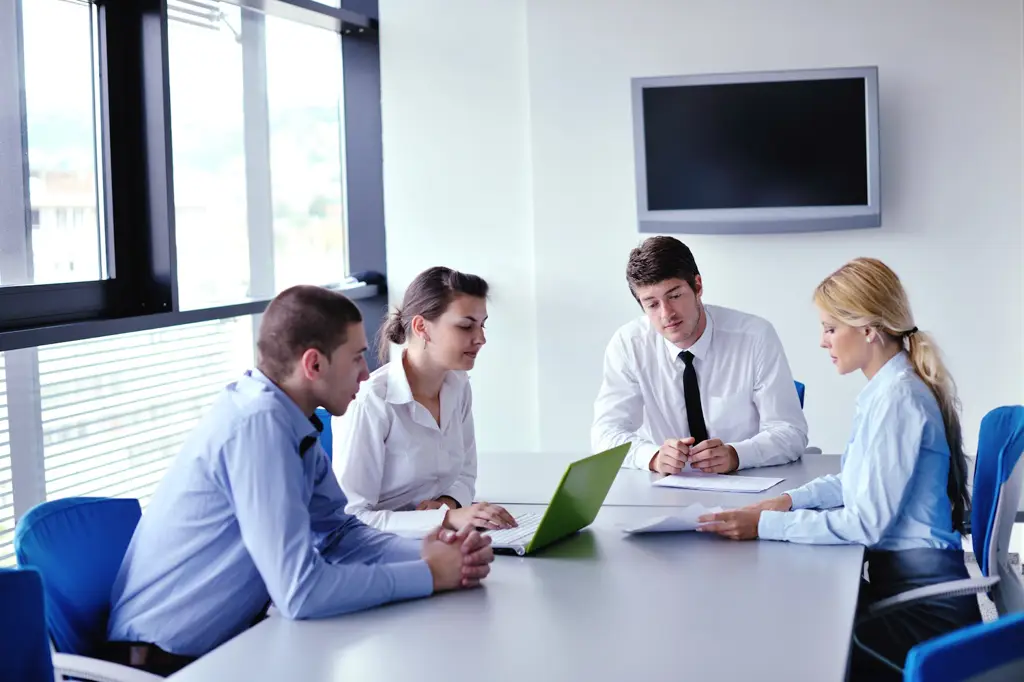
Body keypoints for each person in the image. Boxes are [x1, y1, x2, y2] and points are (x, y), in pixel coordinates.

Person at [106, 286, 494, 676]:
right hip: (165, 664)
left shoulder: (294, 423)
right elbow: (301, 592)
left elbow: (340, 535)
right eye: (357, 357)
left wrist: (441, 554)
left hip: (232, 644)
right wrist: (428, 574)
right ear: (314, 365)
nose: (365, 372)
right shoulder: (260, 427)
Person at [697, 258, 980, 680]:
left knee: (795, 644)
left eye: (830, 328)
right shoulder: (886, 390)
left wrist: (767, 524)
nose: (823, 342)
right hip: (907, 586)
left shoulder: (898, 400)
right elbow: (853, 481)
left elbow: (866, 524)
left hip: (924, 611)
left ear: (868, 329)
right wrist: (787, 501)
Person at [591, 236, 808, 475]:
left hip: (746, 484)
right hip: (664, 489)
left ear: (698, 286)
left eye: (674, 296)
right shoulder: (629, 344)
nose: (666, 314)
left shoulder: (755, 336)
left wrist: (736, 455)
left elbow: (790, 432)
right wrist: (652, 457)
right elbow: (605, 434)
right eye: (652, 304)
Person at [333, 266, 516, 536]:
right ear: (422, 327)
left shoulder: (459, 385)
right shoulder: (371, 401)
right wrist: (446, 519)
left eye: (482, 325)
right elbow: (352, 519)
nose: (481, 339)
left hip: (438, 541)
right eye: (466, 325)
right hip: (379, 550)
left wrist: (448, 505)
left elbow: (465, 474)